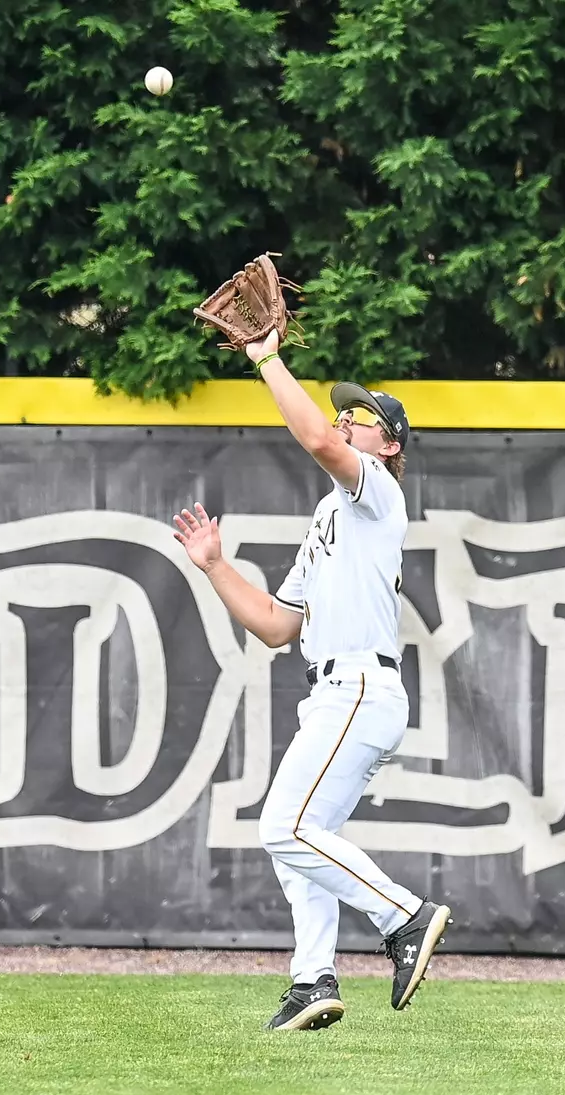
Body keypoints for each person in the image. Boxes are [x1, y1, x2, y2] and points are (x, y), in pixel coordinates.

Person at [171, 329, 452, 1031]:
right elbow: (273, 623)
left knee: (284, 826)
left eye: (362, 416)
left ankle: (404, 917)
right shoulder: (331, 515)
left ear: (389, 446)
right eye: (346, 411)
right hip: (334, 690)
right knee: (306, 842)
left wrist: (266, 359)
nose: (347, 419)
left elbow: (323, 444)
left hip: (359, 687)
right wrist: (213, 565)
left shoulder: (376, 491)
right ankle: (312, 980)